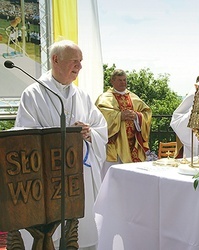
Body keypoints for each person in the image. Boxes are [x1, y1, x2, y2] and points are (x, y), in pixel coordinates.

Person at [14, 39, 108, 249]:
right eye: (75, 61)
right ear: (56, 60)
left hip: (77, 174)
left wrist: (89, 132)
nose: (80, 66)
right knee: (48, 233)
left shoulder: (82, 95)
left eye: (81, 61)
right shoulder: (33, 94)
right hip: (48, 175)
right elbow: (24, 135)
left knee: (78, 233)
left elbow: (100, 127)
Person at [95, 69, 152, 179]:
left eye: (125, 80)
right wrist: (120, 116)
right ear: (112, 81)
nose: (123, 83)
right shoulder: (105, 98)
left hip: (133, 145)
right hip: (115, 146)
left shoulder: (133, 97)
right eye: (120, 80)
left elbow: (147, 113)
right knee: (113, 178)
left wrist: (137, 116)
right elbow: (101, 117)